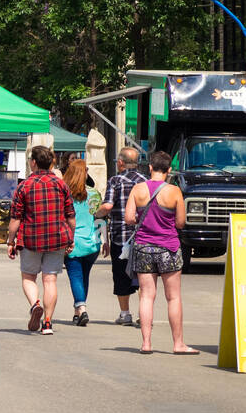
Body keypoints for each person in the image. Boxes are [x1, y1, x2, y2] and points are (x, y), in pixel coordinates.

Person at [125, 151, 197, 355]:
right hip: (169, 247)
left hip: (143, 247)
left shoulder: (138, 189)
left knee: (146, 296)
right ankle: (178, 344)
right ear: (169, 170)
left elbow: (129, 218)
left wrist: (143, 220)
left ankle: (146, 343)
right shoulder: (174, 191)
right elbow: (180, 223)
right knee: (173, 297)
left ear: (150, 168)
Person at [8, 145, 75, 335]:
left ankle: (35, 304)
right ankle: (47, 322)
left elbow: (15, 218)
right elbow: (70, 215)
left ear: (34, 162)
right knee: (50, 279)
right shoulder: (61, 185)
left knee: (29, 276)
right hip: (57, 237)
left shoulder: (24, 186)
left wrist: (11, 242)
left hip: (30, 238)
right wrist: (71, 238)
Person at [96, 146, 144, 326]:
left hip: (121, 236)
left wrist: (97, 213)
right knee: (142, 276)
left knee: (121, 274)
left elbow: (107, 206)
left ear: (121, 162)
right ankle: (143, 314)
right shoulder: (145, 181)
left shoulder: (116, 180)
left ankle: (125, 314)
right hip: (142, 237)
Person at [63, 159, 102, 326]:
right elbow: (98, 216)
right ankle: (77, 312)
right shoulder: (93, 193)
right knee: (84, 276)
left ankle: (81, 307)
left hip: (72, 242)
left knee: (75, 276)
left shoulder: (64, 194)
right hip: (92, 243)